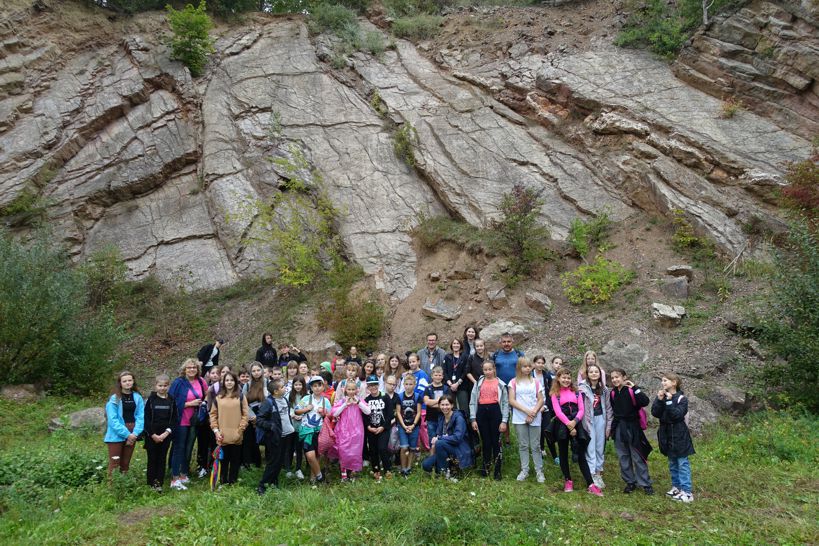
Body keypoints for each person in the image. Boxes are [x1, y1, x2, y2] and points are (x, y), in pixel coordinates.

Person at [550, 367, 601, 496]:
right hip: (562, 425)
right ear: (558, 379)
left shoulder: (577, 392)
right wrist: (569, 425)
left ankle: (590, 483)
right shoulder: (555, 394)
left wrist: (575, 422)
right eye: (563, 378)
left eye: (568, 378)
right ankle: (568, 480)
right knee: (563, 453)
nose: (566, 380)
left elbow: (581, 409)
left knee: (580, 453)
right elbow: (558, 411)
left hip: (576, 423)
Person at [651, 372, 695, 503]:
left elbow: (677, 415)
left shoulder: (682, 399)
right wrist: (659, 400)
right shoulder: (662, 397)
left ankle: (687, 492)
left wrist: (669, 401)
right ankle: (677, 487)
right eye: (662, 381)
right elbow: (655, 412)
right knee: (672, 462)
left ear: (674, 382)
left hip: (679, 433)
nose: (663, 383)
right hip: (666, 433)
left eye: (666, 380)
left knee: (682, 462)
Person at [609, 368, 653, 495]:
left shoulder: (631, 390)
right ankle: (630, 482)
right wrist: (612, 430)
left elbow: (645, 402)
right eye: (612, 378)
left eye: (617, 377)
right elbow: (614, 410)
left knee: (638, 456)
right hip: (619, 428)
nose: (615, 380)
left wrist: (635, 388)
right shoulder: (613, 393)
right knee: (623, 456)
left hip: (632, 427)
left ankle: (645, 483)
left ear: (624, 377)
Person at [168, 359, 208, 491]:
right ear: (184, 369)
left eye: (194, 367)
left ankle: (184, 474)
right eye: (189, 367)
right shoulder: (178, 383)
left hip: (194, 420)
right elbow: (171, 402)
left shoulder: (201, 381)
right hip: (181, 420)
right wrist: (189, 404)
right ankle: (174, 478)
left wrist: (203, 403)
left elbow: (207, 395)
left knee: (189, 447)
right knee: (179, 447)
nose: (191, 370)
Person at [469, 360, 508, 480]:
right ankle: (485, 467)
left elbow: (506, 403)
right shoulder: (478, 383)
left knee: (496, 441)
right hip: (481, 412)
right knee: (486, 441)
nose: (488, 372)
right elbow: (473, 400)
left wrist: (504, 420)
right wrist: (473, 418)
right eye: (485, 370)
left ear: (494, 369)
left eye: (490, 369)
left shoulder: (500, 384)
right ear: (483, 370)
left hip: (495, 411)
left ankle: (497, 470)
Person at [508, 357, 545, 483]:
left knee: (536, 445)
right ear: (519, 367)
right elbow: (512, 400)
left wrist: (533, 412)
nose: (527, 368)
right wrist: (526, 411)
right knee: (523, 445)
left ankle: (539, 471)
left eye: (529, 366)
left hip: (535, 417)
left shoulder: (535, 382)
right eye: (524, 366)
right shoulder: (513, 382)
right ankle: (525, 470)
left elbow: (541, 399)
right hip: (520, 417)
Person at [209, 371, 249, 485]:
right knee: (224, 460)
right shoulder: (218, 398)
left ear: (235, 382)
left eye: (232, 380)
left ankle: (233, 481)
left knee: (235, 460)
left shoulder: (241, 397)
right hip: (222, 435)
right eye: (227, 380)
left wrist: (240, 431)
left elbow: (245, 415)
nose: (229, 382)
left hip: (237, 434)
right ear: (223, 382)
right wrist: (216, 431)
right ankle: (223, 481)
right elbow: (213, 415)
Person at [256, 378, 295, 494]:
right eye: (282, 387)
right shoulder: (268, 403)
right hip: (275, 437)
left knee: (280, 461)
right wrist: (271, 426)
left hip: (286, 435)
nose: (285, 388)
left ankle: (274, 482)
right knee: (273, 461)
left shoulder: (284, 400)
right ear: (276, 391)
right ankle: (262, 485)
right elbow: (259, 419)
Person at [422, 394, 473, 479]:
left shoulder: (459, 418)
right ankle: (447, 470)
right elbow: (437, 438)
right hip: (444, 449)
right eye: (442, 405)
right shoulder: (441, 418)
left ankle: (443, 474)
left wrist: (439, 439)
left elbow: (457, 438)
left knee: (439, 443)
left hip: (459, 449)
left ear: (452, 405)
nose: (445, 407)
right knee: (426, 465)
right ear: (439, 406)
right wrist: (432, 455)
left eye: (447, 404)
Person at [104, 371, 145, 476]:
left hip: (133, 432)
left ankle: (124, 486)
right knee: (114, 464)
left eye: (129, 380)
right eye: (124, 381)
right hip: (116, 433)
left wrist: (135, 434)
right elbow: (112, 420)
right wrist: (127, 434)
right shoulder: (114, 399)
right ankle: (112, 489)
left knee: (125, 463)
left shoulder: (137, 397)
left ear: (133, 381)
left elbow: (141, 416)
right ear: (120, 383)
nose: (127, 383)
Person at [579, 363, 612, 490]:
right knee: (590, 447)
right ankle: (591, 474)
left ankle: (598, 473)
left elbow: (608, 408)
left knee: (599, 447)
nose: (594, 374)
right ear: (587, 374)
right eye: (591, 372)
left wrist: (608, 425)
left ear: (600, 374)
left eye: (596, 372)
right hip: (588, 420)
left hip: (601, 419)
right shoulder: (582, 388)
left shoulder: (604, 390)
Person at [331, 380, 371, 481]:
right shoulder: (342, 401)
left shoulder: (360, 400)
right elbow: (334, 413)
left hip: (357, 430)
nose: (351, 391)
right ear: (345, 390)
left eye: (353, 389)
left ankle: (354, 472)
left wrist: (358, 403)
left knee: (355, 451)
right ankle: (344, 473)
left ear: (357, 390)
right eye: (349, 389)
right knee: (343, 450)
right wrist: (345, 405)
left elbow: (368, 411)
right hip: (344, 430)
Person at [143, 373, 177, 491]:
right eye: (160, 385)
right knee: (152, 458)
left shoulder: (171, 400)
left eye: (165, 386)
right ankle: (151, 483)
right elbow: (146, 418)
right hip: (152, 435)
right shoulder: (151, 400)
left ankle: (159, 483)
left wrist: (166, 433)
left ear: (168, 386)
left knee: (162, 459)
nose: (162, 388)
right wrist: (153, 434)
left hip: (165, 435)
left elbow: (174, 418)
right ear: (155, 386)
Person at [295, 376, 332, 484]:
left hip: (320, 432)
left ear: (323, 386)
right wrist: (306, 409)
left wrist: (324, 413)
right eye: (314, 386)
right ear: (311, 387)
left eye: (319, 385)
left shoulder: (326, 401)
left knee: (316, 455)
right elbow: (296, 411)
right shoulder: (306, 399)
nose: (317, 388)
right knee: (310, 456)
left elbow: (330, 416)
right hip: (307, 431)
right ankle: (320, 477)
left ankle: (313, 477)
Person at [364, 375, 392, 480]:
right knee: (373, 450)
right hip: (372, 429)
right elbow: (365, 416)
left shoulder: (385, 397)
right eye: (370, 386)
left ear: (378, 385)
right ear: (367, 387)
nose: (373, 387)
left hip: (383, 429)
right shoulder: (366, 400)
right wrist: (368, 427)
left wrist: (383, 427)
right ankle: (376, 470)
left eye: (375, 385)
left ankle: (387, 469)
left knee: (382, 448)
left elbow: (390, 414)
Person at [397, 374, 423, 477]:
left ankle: (409, 467)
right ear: (403, 384)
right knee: (404, 447)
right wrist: (404, 426)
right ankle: (403, 468)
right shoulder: (399, 396)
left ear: (414, 385)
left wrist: (413, 425)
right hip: (402, 425)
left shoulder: (417, 396)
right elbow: (398, 412)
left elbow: (419, 412)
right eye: (406, 384)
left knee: (412, 448)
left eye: (411, 384)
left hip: (414, 426)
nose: (408, 386)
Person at [242, 362, 267, 469]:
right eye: (253, 371)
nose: (256, 373)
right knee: (249, 440)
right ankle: (250, 463)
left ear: (262, 370)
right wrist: (252, 417)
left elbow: (270, 401)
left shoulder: (267, 383)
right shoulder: (247, 385)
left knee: (266, 440)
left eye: (258, 370)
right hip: (250, 416)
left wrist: (259, 418)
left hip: (264, 416)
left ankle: (267, 462)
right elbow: (243, 403)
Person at [285, 375, 307, 480]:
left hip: (302, 425)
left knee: (299, 448)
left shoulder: (307, 396)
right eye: (296, 384)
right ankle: (288, 469)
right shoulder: (290, 395)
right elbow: (287, 407)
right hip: (291, 425)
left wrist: (301, 415)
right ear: (293, 385)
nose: (298, 386)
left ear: (303, 385)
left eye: (300, 384)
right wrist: (293, 414)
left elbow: (308, 409)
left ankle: (298, 469)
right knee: (289, 447)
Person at [423, 366, 449, 444]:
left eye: (439, 375)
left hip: (443, 418)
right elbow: (426, 402)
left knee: (443, 440)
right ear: (432, 376)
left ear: (442, 376)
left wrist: (432, 403)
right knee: (432, 441)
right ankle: (433, 456)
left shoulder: (446, 388)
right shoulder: (428, 388)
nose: (438, 377)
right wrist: (438, 401)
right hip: (431, 419)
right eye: (436, 375)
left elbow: (447, 404)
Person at [444, 339, 467, 411]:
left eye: (458, 343)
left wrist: (457, 384)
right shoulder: (447, 357)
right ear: (451, 345)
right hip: (449, 386)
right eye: (454, 343)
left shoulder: (465, 357)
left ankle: (465, 422)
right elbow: (445, 371)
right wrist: (451, 384)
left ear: (460, 345)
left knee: (464, 408)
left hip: (461, 386)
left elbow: (465, 372)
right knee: (451, 408)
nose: (456, 345)